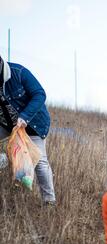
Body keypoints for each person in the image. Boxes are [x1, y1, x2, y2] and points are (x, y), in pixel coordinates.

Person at [0, 55, 56, 205]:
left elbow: (40, 94)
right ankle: (4, 161)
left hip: (33, 124)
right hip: (7, 125)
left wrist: (24, 116)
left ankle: (49, 202)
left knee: (40, 161)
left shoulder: (18, 72)